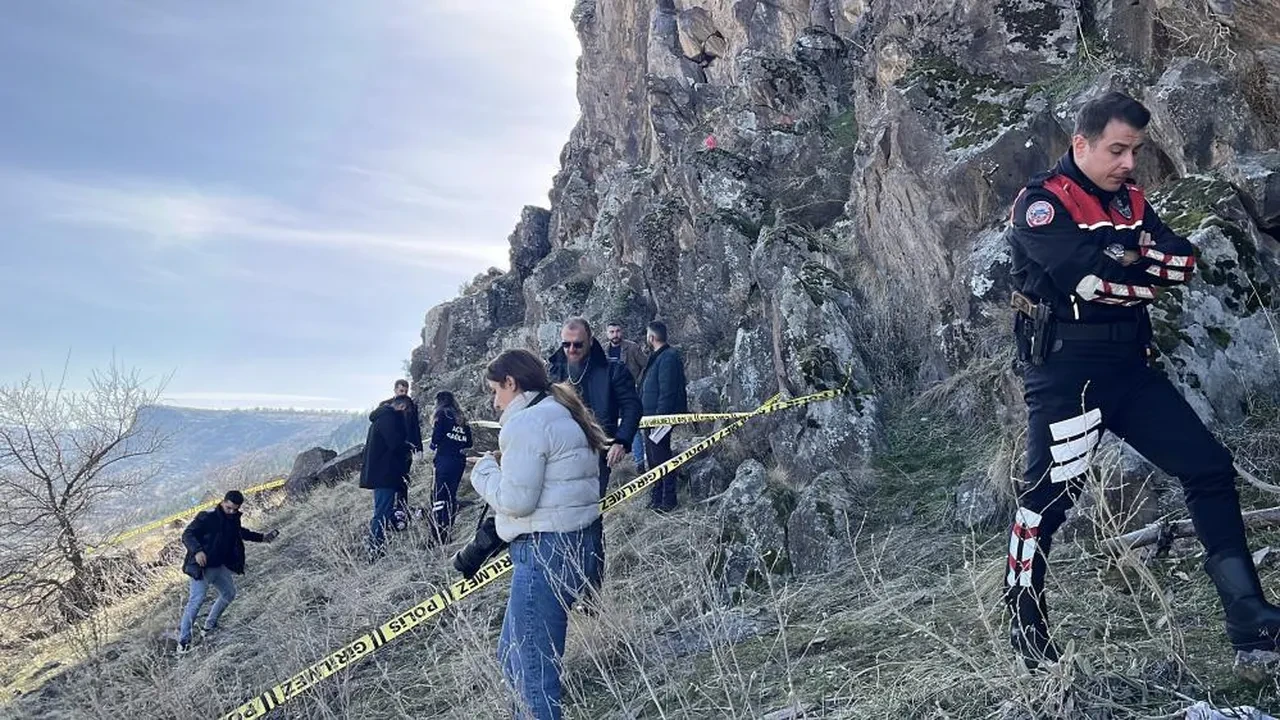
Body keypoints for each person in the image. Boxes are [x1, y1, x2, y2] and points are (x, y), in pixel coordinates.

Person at [1003, 90, 1280, 669]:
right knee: (1046, 505)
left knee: (1207, 468)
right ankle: (1028, 638)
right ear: (1080, 144)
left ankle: (1249, 617)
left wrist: (1128, 262)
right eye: (1117, 149)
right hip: (1067, 375)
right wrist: (1134, 267)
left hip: (1132, 370)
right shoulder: (1041, 205)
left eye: (1135, 150)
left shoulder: (1131, 201)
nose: (1129, 162)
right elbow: (1090, 282)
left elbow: (1183, 260)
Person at [470, 349, 606, 720]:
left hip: (543, 552)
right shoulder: (563, 413)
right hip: (575, 547)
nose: (495, 403)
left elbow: (516, 501)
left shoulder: (527, 423)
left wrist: (483, 472)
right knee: (514, 655)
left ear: (511, 384)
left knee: (533, 672)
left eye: (496, 391)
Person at [176, 490, 278, 654]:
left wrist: (263, 538)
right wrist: (197, 551)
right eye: (228, 507)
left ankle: (209, 627)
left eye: (234, 509)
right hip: (201, 568)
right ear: (223, 502)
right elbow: (187, 534)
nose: (231, 511)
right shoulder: (206, 518)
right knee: (196, 601)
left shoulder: (233, 520)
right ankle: (183, 642)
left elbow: (241, 533)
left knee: (229, 593)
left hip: (219, 566)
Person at [639, 320, 688, 512]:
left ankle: (668, 500)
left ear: (651, 337)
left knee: (662, 459)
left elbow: (667, 391)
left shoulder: (668, 358)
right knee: (653, 459)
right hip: (649, 417)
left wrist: (660, 419)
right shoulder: (657, 357)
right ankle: (657, 496)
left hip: (659, 419)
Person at [360, 397, 413, 558]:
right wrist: (407, 446)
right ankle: (375, 549)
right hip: (385, 473)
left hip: (381, 472)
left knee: (382, 509)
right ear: (402, 406)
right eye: (407, 412)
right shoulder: (389, 418)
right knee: (382, 511)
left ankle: (376, 545)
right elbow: (395, 443)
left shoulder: (381, 418)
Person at [429, 390, 473, 543]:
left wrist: (434, 445)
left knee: (438, 496)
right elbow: (469, 442)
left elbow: (436, 438)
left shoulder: (441, 414)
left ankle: (437, 535)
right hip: (459, 461)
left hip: (444, 460)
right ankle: (448, 533)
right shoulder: (461, 417)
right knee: (451, 496)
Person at [605, 321, 649, 467]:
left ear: (621, 332)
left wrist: (639, 383)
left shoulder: (632, 347)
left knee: (632, 423)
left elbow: (646, 365)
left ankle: (639, 461)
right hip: (611, 395)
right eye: (612, 332)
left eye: (617, 331)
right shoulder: (604, 351)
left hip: (630, 392)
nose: (615, 334)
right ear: (607, 333)